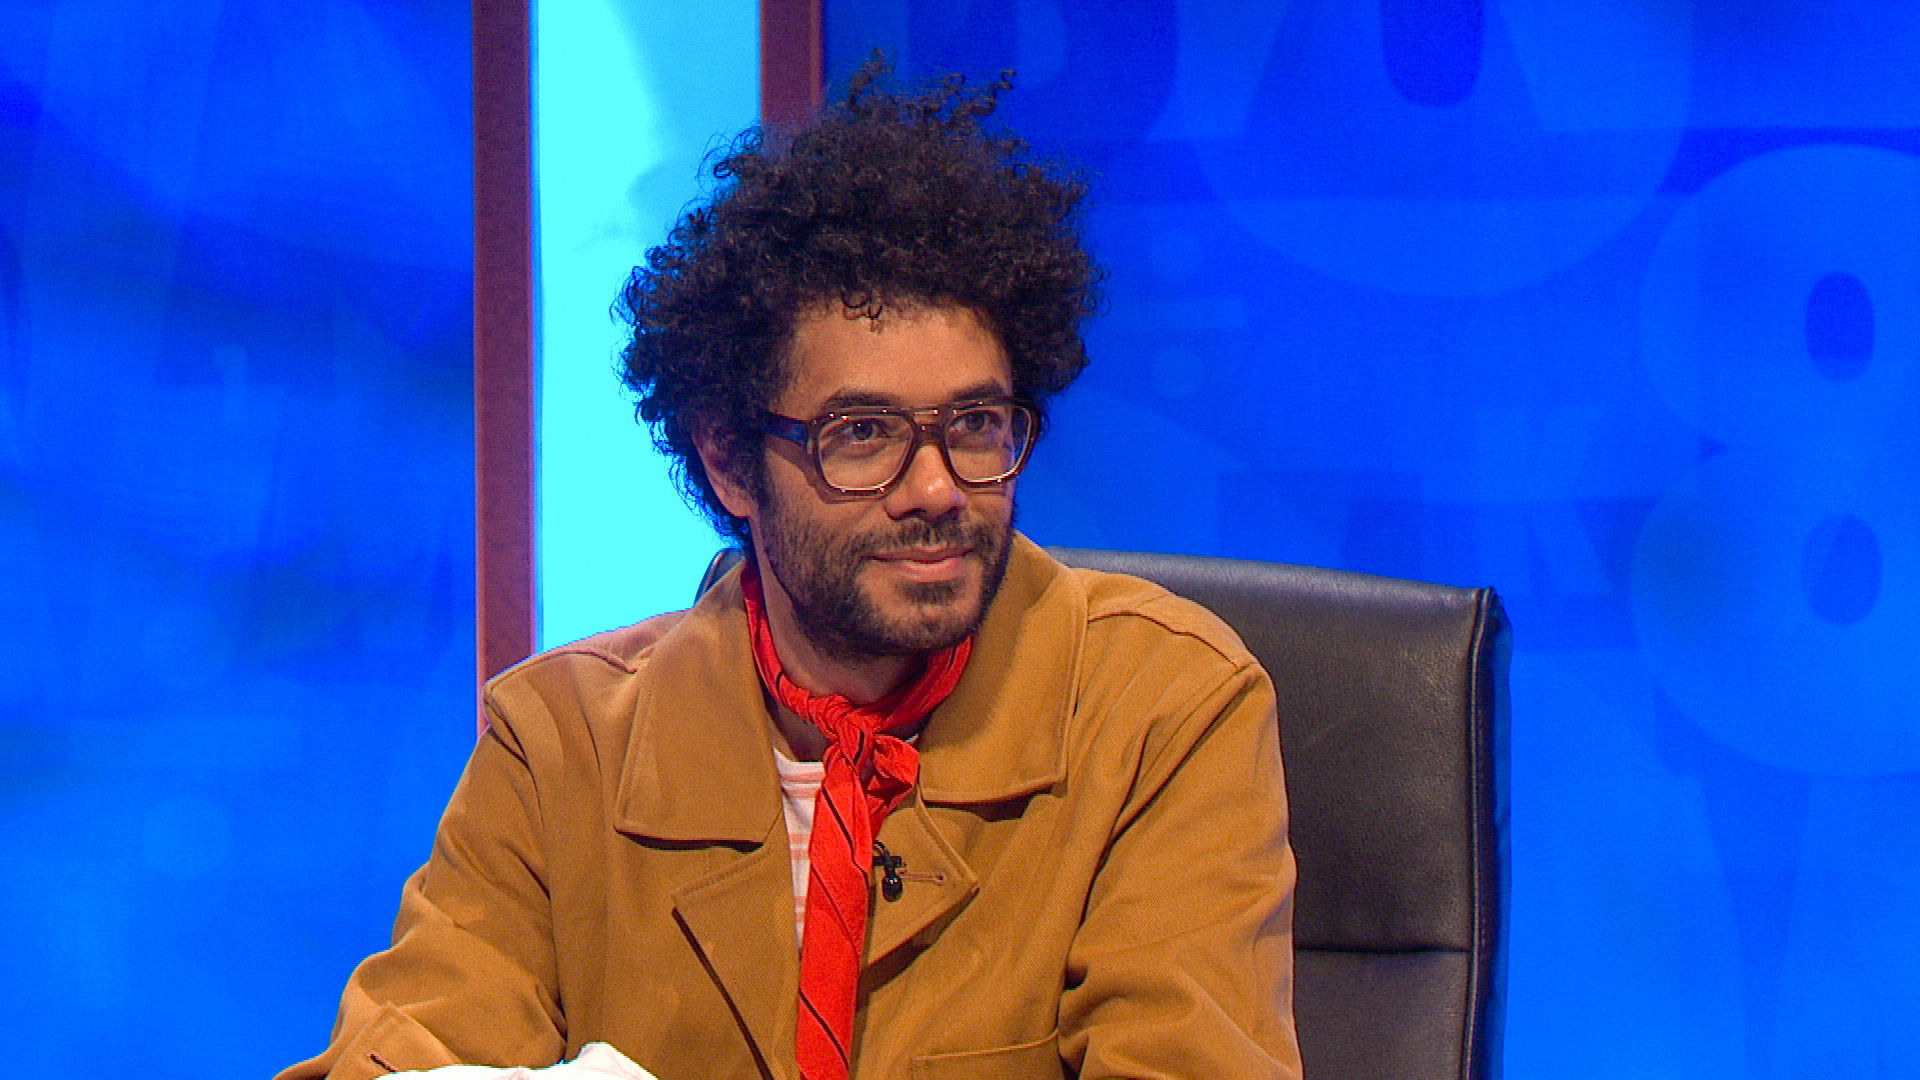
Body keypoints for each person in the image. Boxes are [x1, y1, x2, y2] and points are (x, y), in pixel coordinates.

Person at [282, 60, 1300, 1080]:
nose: (937, 489)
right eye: (863, 433)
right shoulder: (560, 749)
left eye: (976, 424)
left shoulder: (1161, 709)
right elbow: (400, 1054)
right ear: (730, 460)